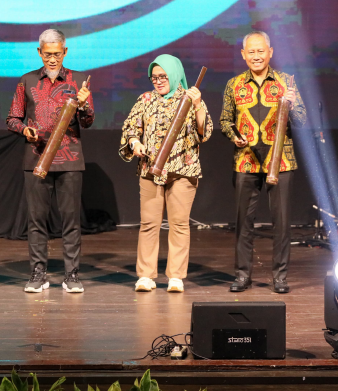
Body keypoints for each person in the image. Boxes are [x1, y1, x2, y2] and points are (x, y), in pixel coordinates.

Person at [6, 29, 94, 293]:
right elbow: (12, 118)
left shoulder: (80, 81)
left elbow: (88, 122)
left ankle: (72, 275)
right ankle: (38, 273)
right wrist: (24, 130)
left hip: (70, 159)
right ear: (39, 52)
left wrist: (84, 105)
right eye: (47, 54)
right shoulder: (27, 81)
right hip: (36, 159)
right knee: (37, 220)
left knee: (71, 220)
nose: (52, 59)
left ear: (65, 51)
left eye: (57, 54)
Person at [219, 30, 306, 294]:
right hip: (245, 162)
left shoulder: (286, 82)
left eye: (261, 51)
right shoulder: (234, 84)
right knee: (243, 223)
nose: (256, 56)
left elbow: (302, 120)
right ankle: (242, 275)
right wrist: (234, 136)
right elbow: (225, 120)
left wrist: (293, 105)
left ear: (270, 52)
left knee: (281, 223)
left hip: (281, 162)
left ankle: (280, 277)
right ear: (243, 55)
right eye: (251, 52)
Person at [119, 55, 212, 293]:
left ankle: (176, 276)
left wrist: (198, 105)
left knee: (179, 224)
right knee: (149, 223)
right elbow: (131, 127)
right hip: (151, 169)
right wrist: (134, 143)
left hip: (183, 169)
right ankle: (146, 275)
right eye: (154, 77)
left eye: (163, 76)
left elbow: (204, 132)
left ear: (174, 74)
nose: (158, 81)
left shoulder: (190, 98)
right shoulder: (146, 99)